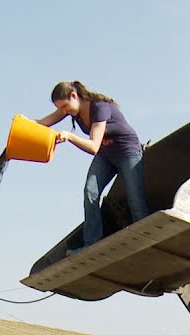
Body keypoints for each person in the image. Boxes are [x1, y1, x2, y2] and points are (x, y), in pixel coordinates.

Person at [38, 80, 149, 252]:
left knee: (135, 199)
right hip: (106, 155)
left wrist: (70, 136)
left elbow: (93, 146)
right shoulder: (70, 109)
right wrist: (23, 126)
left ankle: (146, 238)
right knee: (90, 192)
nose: (63, 111)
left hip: (127, 152)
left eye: (65, 106)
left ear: (74, 96)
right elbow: (45, 122)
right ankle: (91, 244)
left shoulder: (99, 107)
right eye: (61, 108)